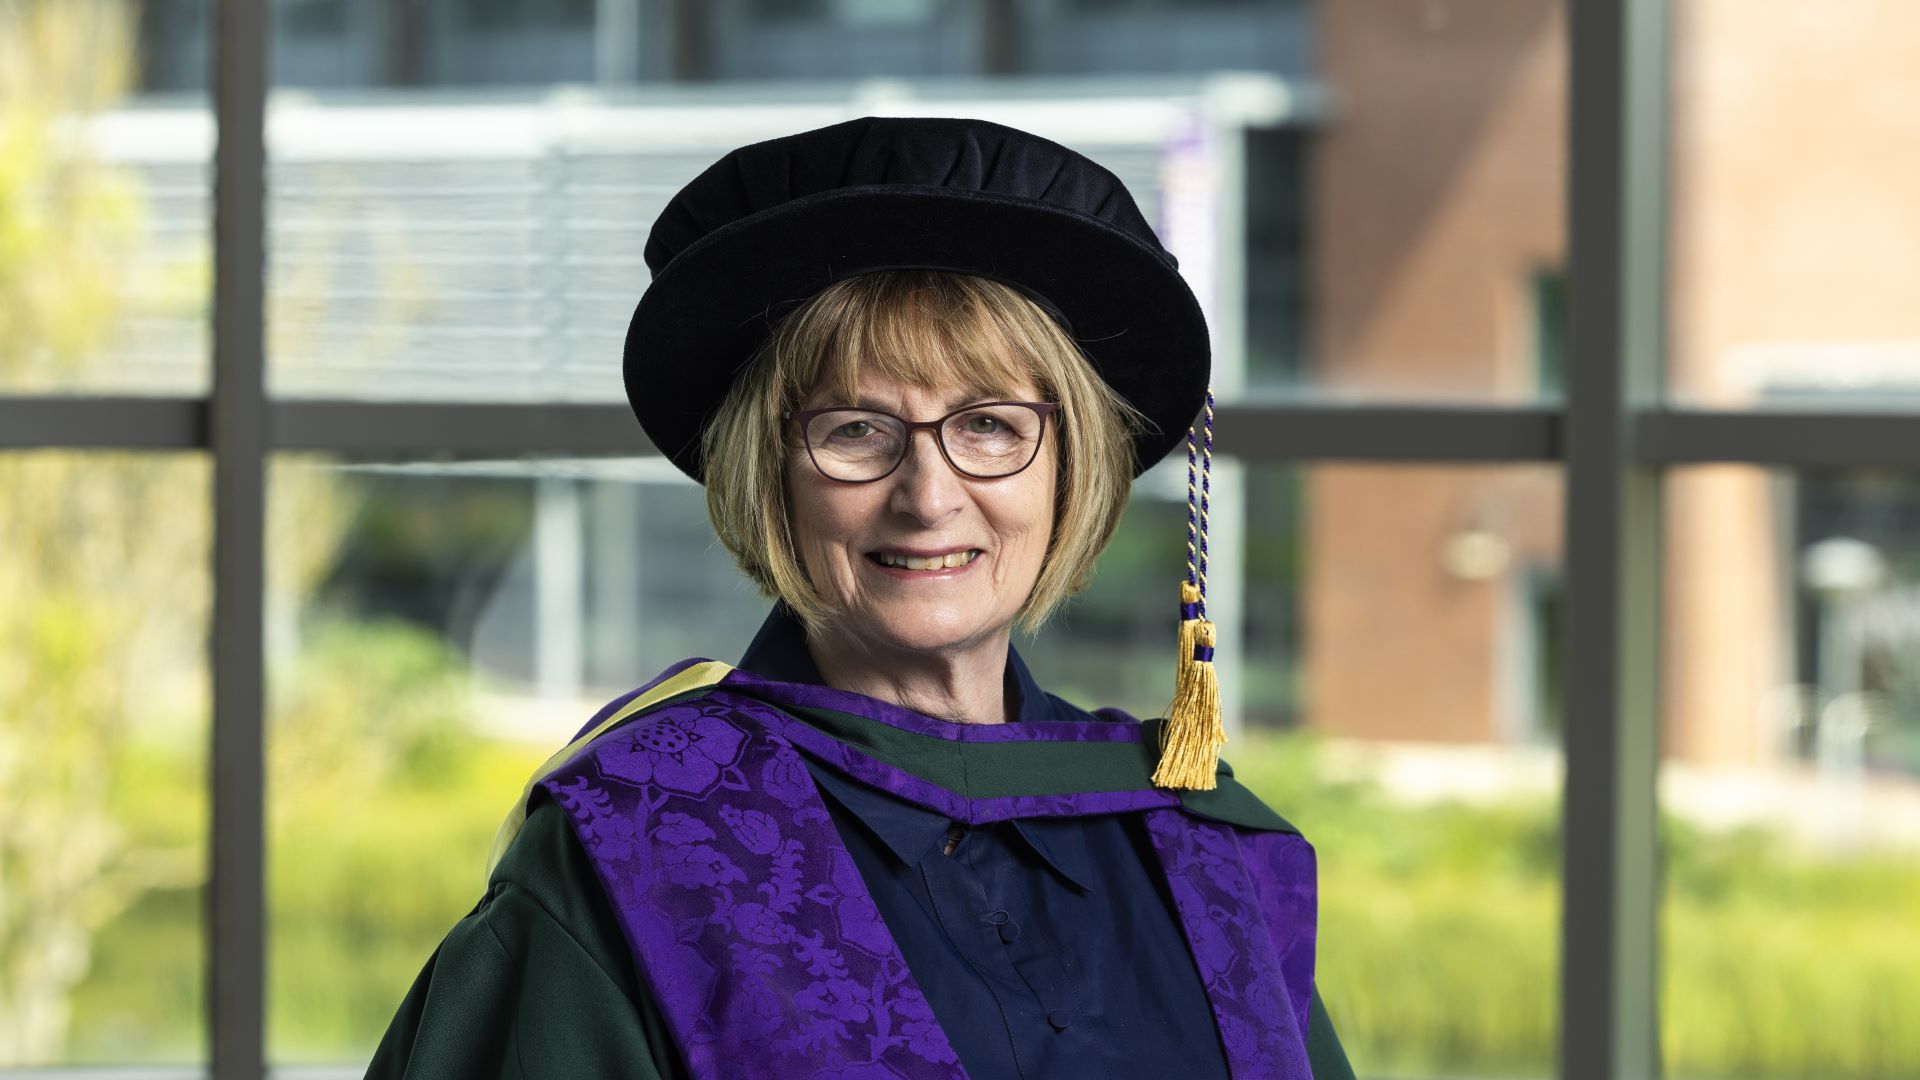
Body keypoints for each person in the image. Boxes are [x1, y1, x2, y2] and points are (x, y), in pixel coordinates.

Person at [366, 115, 1355, 1080]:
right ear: (769, 473)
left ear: (1072, 468)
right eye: (854, 431)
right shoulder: (638, 845)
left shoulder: (1204, 850)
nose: (928, 497)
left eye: (992, 427)